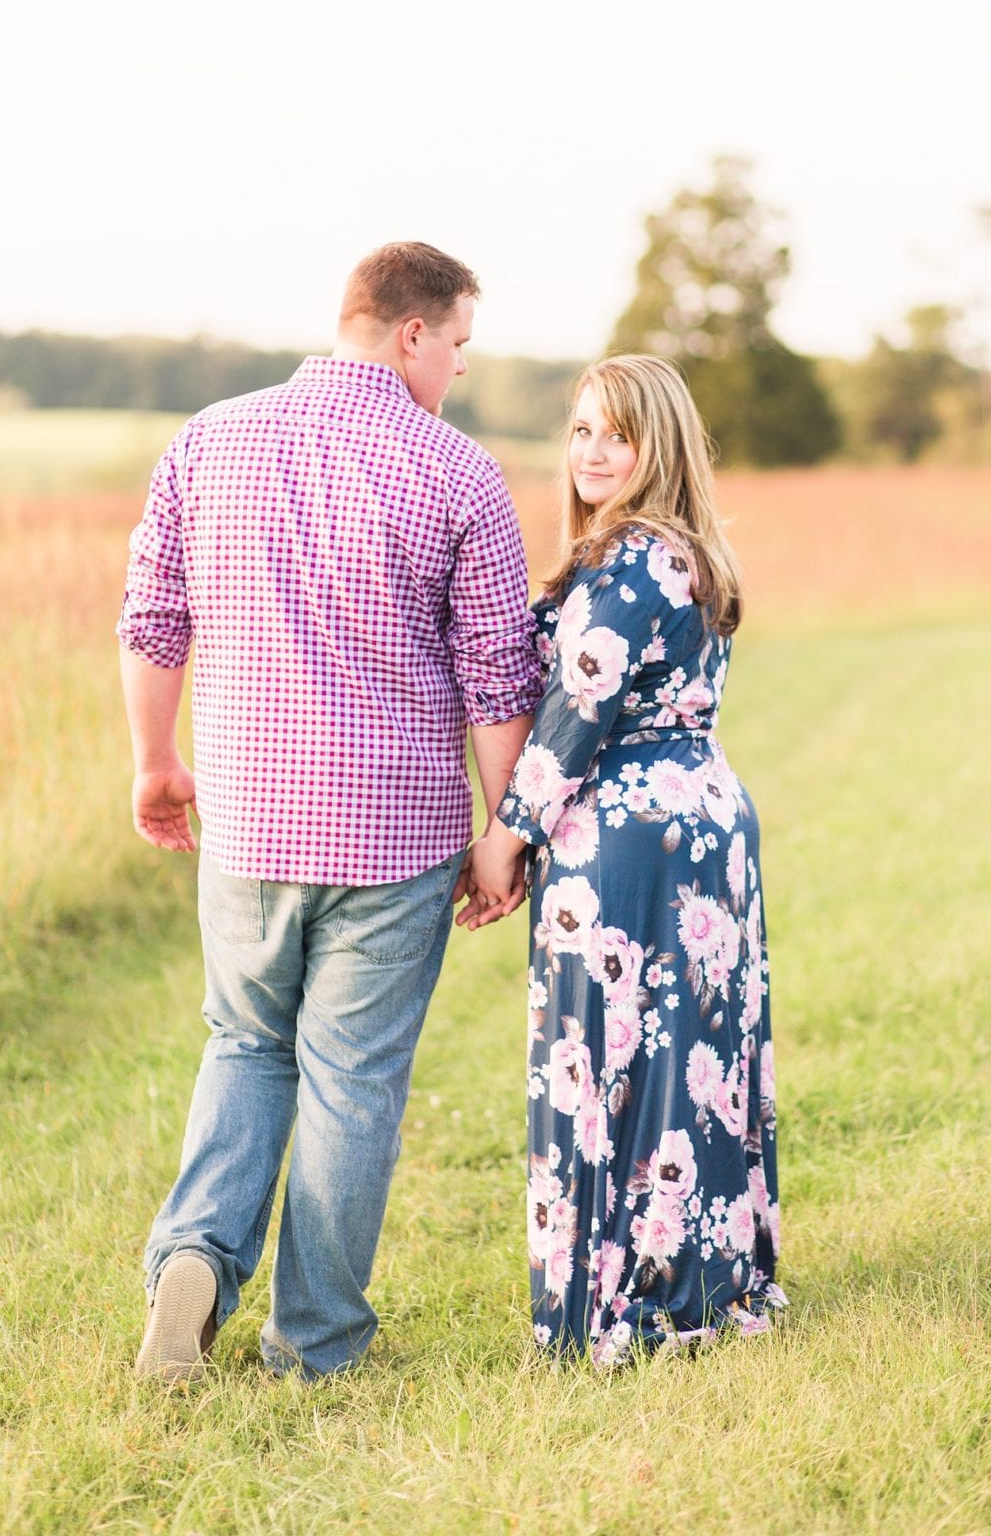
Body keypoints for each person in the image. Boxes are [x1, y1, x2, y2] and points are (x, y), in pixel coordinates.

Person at [117, 241, 539, 1383]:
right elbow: (502, 678)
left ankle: (195, 1265)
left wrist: (156, 762)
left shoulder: (212, 438)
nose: (456, 368)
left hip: (248, 824)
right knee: (352, 1080)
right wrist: (501, 832)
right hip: (392, 840)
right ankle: (315, 1345)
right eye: (456, 344)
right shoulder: (458, 472)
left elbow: (154, 617)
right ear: (413, 332)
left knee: (247, 1045)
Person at [462, 354, 784, 1365]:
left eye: (618, 433)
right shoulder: (682, 554)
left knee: (606, 1058)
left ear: (661, 447)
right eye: (581, 430)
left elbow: (576, 716)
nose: (593, 451)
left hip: (629, 839)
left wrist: (503, 840)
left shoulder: (632, 560)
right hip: (701, 820)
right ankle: (694, 1285)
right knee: (689, 1058)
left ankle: (620, 1304)